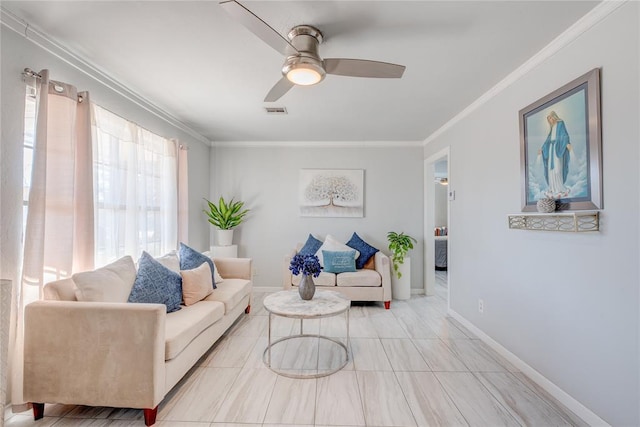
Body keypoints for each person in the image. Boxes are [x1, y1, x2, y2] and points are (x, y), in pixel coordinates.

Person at [538, 111, 572, 198]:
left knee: (557, 168)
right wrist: (542, 149)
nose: (549, 120)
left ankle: (559, 187)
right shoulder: (552, 127)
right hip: (551, 150)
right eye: (548, 119)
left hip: (557, 149)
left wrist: (567, 143)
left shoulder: (560, 123)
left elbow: (564, 135)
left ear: (553, 116)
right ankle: (553, 188)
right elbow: (548, 140)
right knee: (551, 169)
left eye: (550, 118)